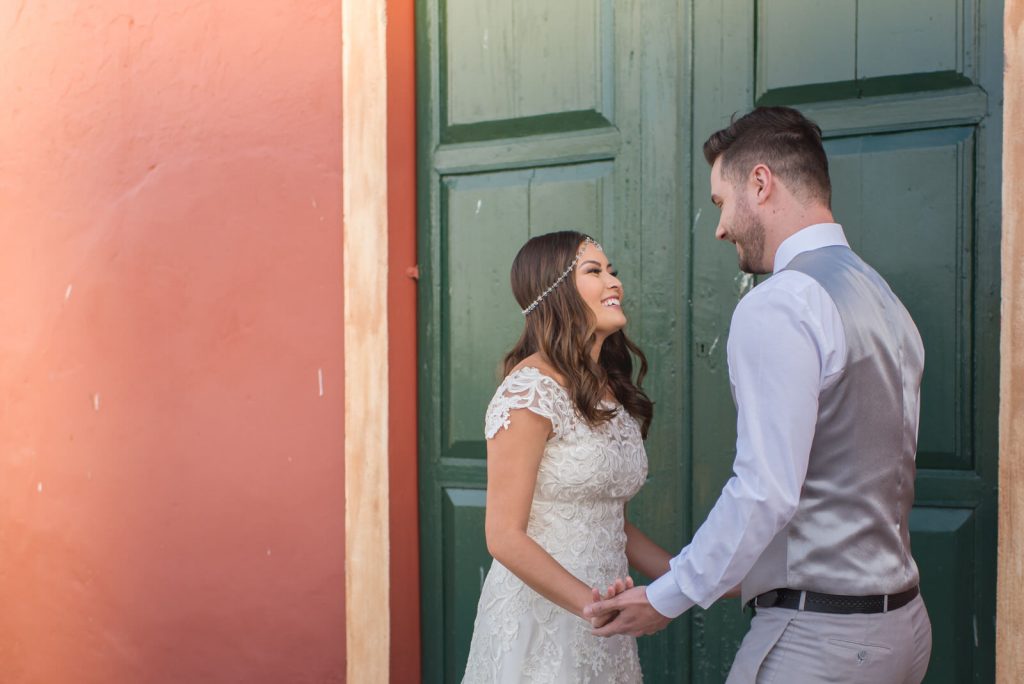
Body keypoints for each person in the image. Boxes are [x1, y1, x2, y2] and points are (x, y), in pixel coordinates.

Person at [584, 106, 933, 683]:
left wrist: (668, 596)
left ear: (761, 182)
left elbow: (765, 489)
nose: (719, 227)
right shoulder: (884, 299)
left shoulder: (781, 302)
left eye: (721, 202)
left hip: (820, 643)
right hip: (903, 629)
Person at [461, 231, 672, 683]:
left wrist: (691, 579)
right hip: (543, 621)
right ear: (554, 293)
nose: (613, 281)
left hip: (604, 624)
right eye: (594, 271)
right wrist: (593, 606)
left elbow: (613, 521)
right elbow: (503, 536)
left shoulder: (610, 389)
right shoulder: (529, 391)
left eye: (610, 269)